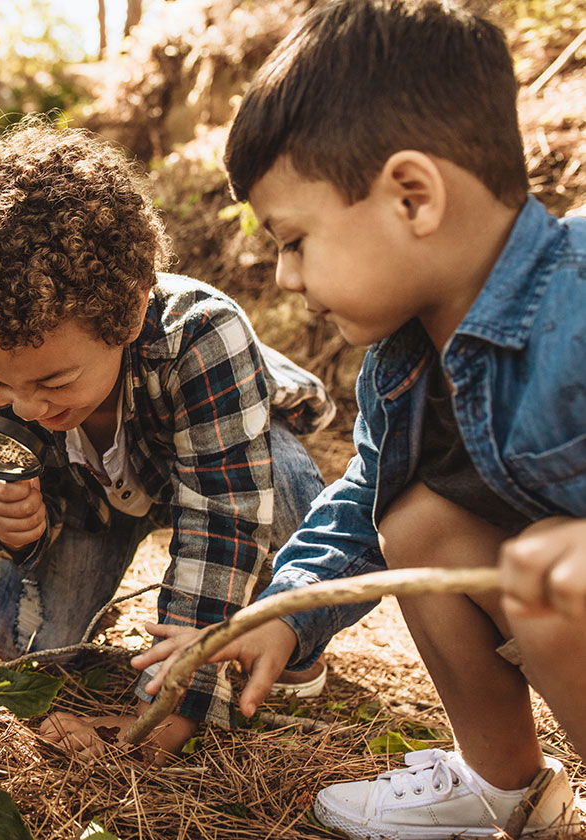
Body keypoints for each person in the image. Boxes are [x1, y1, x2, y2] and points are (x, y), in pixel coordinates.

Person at [136, 1, 586, 836]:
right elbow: (355, 506)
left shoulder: (579, 297)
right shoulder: (399, 368)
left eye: (296, 239)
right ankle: (504, 784)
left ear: (412, 196)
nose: (284, 276)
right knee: (414, 520)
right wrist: (281, 614)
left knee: (564, 573)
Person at [0, 123, 335, 763]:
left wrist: (176, 698)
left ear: (129, 314)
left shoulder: (203, 335)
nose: (25, 406)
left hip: (216, 456)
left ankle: (288, 635)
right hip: (91, 502)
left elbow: (222, 517)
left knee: (291, 493)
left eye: (54, 380)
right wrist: (9, 526)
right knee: (12, 638)